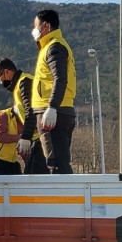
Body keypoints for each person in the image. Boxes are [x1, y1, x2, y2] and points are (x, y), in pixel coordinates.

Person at [30, 10, 77, 174]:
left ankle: (66, 198)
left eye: (36, 26)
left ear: (46, 26)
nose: (34, 30)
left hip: (53, 113)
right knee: (54, 161)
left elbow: (60, 78)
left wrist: (52, 107)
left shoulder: (54, 47)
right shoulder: (51, 46)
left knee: (56, 163)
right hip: (56, 111)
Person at [0, 57, 47, 174]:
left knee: (35, 176)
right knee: (30, 174)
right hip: (38, 137)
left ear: (6, 72)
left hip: (43, 136)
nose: (1, 82)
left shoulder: (24, 82)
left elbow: (31, 111)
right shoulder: (19, 85)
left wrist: (25, 137)